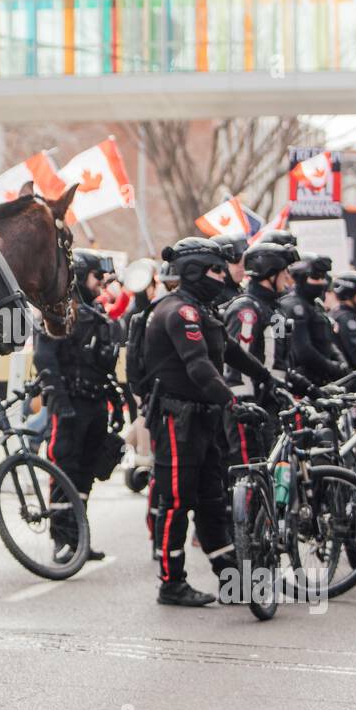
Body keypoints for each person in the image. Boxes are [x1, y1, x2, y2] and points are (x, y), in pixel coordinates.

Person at [145, 237, 273, 607]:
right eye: (216, 269)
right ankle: (171, 583)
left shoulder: (203, 311)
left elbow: (233, 353)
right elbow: (198, 365)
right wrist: (233, 402)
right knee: (176, 502)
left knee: (212, 502)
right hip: (176, 420)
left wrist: (272, 383)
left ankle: (231, 581)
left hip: (204, 420)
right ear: (194, 270)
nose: (222, 275)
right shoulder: (178, 311)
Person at [35, 250, 124, 562]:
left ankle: (80, 538)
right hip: (70, 405)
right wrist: (60, 402)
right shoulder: (59, 313)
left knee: (86, 474)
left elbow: (103, 365)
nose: (102, 283)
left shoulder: (96, 315)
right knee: (64, 472)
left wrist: (114, 398)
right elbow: (44, 360)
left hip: (95, 404)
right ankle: (62, 540)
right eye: (97, 277)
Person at [222, 240, 298, 462]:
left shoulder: (274, 309)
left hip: (271, 406)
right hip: (251, 409)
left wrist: (309, 389)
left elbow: (279, 363)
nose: (287, 278)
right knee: (250, 473)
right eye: (284, 272)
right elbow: (236, 364)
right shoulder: (247, 309)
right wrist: (246, 407)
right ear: (269, 273)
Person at [278, 253, 348, 389]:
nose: (322, 282)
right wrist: (332, 367)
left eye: (324, 277)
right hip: (303, 383)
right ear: (302, 278)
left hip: (323, 380)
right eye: (316, 277)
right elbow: (303, 351)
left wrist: (341, 363)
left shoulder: (317, 305)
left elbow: (328, 342)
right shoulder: (293, 306)